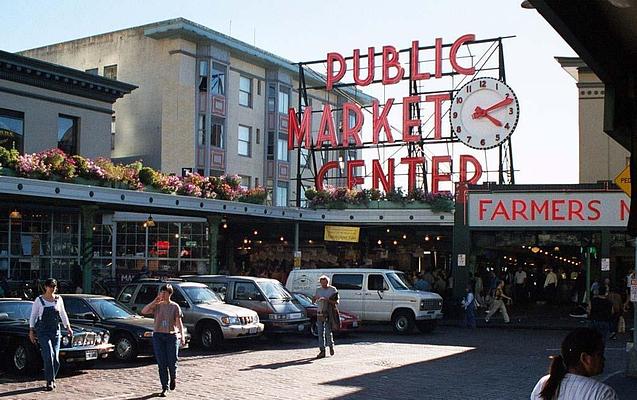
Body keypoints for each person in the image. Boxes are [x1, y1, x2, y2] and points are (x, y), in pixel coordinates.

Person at [530, 327, 618, 400]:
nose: (603, 359)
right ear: (585, 358)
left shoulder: (543, 383)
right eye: (600, 354)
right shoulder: (603, 393)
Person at [142, 284, 186, 397]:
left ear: (169, 294)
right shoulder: (157, 306)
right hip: (158, 336)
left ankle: (173, 377)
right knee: (162, 363)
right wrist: (154, 301)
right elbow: (144, 311)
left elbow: (178, 322)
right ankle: (164, 387)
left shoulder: (175, 307)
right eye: (161, 292)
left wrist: (182, 336)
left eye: (165, 292)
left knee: (172, 361)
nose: (163, 294)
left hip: (171, 336)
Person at [28, 278, 73, 391]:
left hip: (55, 331)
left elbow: (63, 314)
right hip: (43, 331)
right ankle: (49, 381)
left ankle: (51, 377)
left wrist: (68, 327)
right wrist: (31, 330)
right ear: (45, 287)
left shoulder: (59, 299)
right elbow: (33, 315)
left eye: (54, 286)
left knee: (56, 359)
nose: (52, 288)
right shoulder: (39, 300)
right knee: (48, 354)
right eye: (50, 286)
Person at [313, 275, 339, 359]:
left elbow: (336, 302)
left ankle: (331, 346)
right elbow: (313, 301)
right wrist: (315, 298)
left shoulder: (333, 289)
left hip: (329, 313)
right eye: (322, 283)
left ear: (328, 282)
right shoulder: (318, 290)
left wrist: (326, 299)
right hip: (320, 312)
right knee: (320, 332)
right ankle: (322, 350)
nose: (323, 284)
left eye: (325, 283)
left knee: (328, 331)